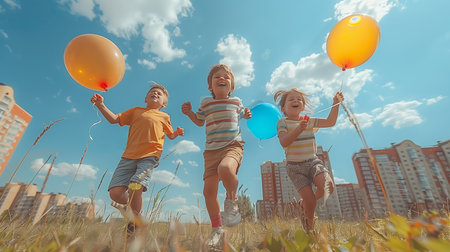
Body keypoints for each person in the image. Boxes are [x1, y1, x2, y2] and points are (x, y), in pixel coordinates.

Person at [91, 83, 184, 234]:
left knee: (135, 184)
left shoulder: (164, 116)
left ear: (164, 104)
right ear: (146, 98)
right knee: (115, 193)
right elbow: (114, 119)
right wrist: (101, 105)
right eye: (152, 92)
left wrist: (177, 133)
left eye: (159, 94)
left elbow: (170, 134)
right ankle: (136, 210)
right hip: (128, 156)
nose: (155, 94)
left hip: (150, 155)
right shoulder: (136, 111)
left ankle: (135, 221)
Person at [181, 64, 252, 250]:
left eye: (226, 77)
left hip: (232, 145)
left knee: (226, 169)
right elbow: (199, 121)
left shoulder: (236, 101)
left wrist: (247, 114)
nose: (222, 79)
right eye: (217, 77)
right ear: (210, 87)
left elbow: (244, 114)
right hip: (211, 151)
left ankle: (232, 199)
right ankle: (217, 230)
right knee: (208, 191)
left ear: (232, 86)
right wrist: (189, 113)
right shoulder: (206, 102)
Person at [274, 88, 343, 233]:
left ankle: (302, 203)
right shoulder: (282, 122)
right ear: (283, 108)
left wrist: (336, 103)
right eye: (291, 99)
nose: (296, 101)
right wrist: (299, 129)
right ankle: (309, 232)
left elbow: (331, 122)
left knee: (328, 186)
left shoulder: (309, 121)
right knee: (310, 202)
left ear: (303, 107)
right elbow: (284, 142)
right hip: (294, 167)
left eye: (299, 99)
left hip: (313, 162)